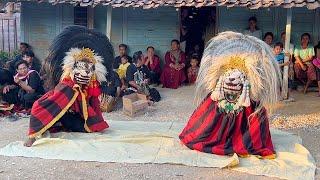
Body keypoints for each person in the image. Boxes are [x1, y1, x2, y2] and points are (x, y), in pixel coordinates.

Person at [179, 32, 281, 158]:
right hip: (222, 96)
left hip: (243, 99)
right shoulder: (222, 77)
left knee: (255, 117)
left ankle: (241, 140)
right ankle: (218, 138)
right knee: (207, 121)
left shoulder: (247, 80)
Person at [24, 26, 112, 147]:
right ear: (72, 68)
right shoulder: (67, 85)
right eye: (81, 67)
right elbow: (40, 105)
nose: (85, 72)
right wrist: (33, 135)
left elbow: (94, 106)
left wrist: (96, 123)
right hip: (67, 115)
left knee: (87, 128)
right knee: (77, 125)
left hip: (77, 115)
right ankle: (56, 124)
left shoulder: (90, 86)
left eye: (89, 69)